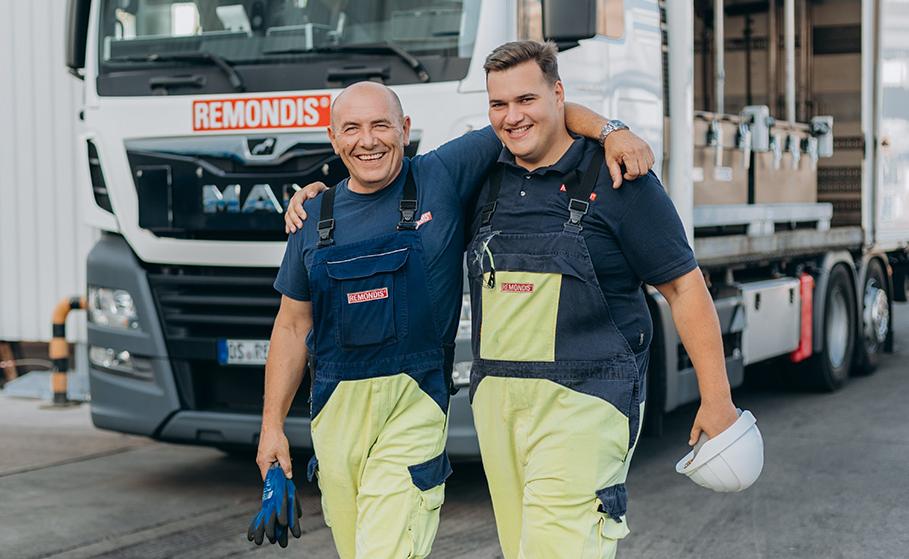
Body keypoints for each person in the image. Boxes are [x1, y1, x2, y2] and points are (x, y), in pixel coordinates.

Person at [257, 79, 654, 559]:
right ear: (333, 138)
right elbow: (292, 326)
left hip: (413, 406)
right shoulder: (312, 216)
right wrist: (272, 426)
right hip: (335, 420)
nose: (368, 141)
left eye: (381, 125)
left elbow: (535, 113)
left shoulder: (440, 176)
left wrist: (611, 131)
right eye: (352, 129)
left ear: (404, 129)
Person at [463, 41, 741, 559]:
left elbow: (684, 287)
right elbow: (389, 186)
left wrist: (716, 397)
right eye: (498, 104)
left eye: (526, 99)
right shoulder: (481, 175)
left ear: (559, 94)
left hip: (587, 404)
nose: (512, 116)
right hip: (499, 408)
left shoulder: (620, 181)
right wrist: (319, 197)